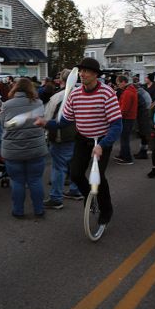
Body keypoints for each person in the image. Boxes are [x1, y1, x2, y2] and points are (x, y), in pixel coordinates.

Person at [36, 57, 122, 224]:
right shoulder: (74, 94)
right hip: (82, 139)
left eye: (86, 71)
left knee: (99, 177)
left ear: (95, 74)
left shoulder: (107, 93)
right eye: (80, 71)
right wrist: (46, 123)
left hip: (102, 139)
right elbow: (65, 121)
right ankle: (89, 196)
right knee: (75, 174)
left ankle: (106, 209)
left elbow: (117, 125)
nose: (82, 74)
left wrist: (103, 145)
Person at [0, 78, 48, 218]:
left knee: (17, 181)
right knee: (35, 180)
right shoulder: (38, 103)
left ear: (15, 88)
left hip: (13, 149)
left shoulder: (6, 105)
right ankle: (39, 210)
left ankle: (18, 211)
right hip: (36, 149)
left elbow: (4, 124)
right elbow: (42, 122)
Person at [43, 69, 83, 210]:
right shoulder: (82, 94)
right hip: (80, 136)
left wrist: (45, 129)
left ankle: (56, 197)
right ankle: (75, 190)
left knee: (58, 167)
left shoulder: (58, 97)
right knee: (74, 164)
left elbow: (47, 118)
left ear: (61, 80)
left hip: (61, 136)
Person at [114, 75, 138, 165]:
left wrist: (117, 116)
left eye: (119, 83)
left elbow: (124, 109)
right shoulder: (129, 90)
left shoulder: (128, 92)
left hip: (127, 118)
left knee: (124, 138)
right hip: (129, 118)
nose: (118, 85)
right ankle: (122, 155)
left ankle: (127, 158)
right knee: (124, 138)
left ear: (124, 82)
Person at [133, 80, 152, 159]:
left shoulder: (139, 94)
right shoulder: (143, 92)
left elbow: (138, 105)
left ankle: (143, 153)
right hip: (146, 114)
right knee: (144, 135)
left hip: (144, 115)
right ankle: (142, 152)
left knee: (144, 135)